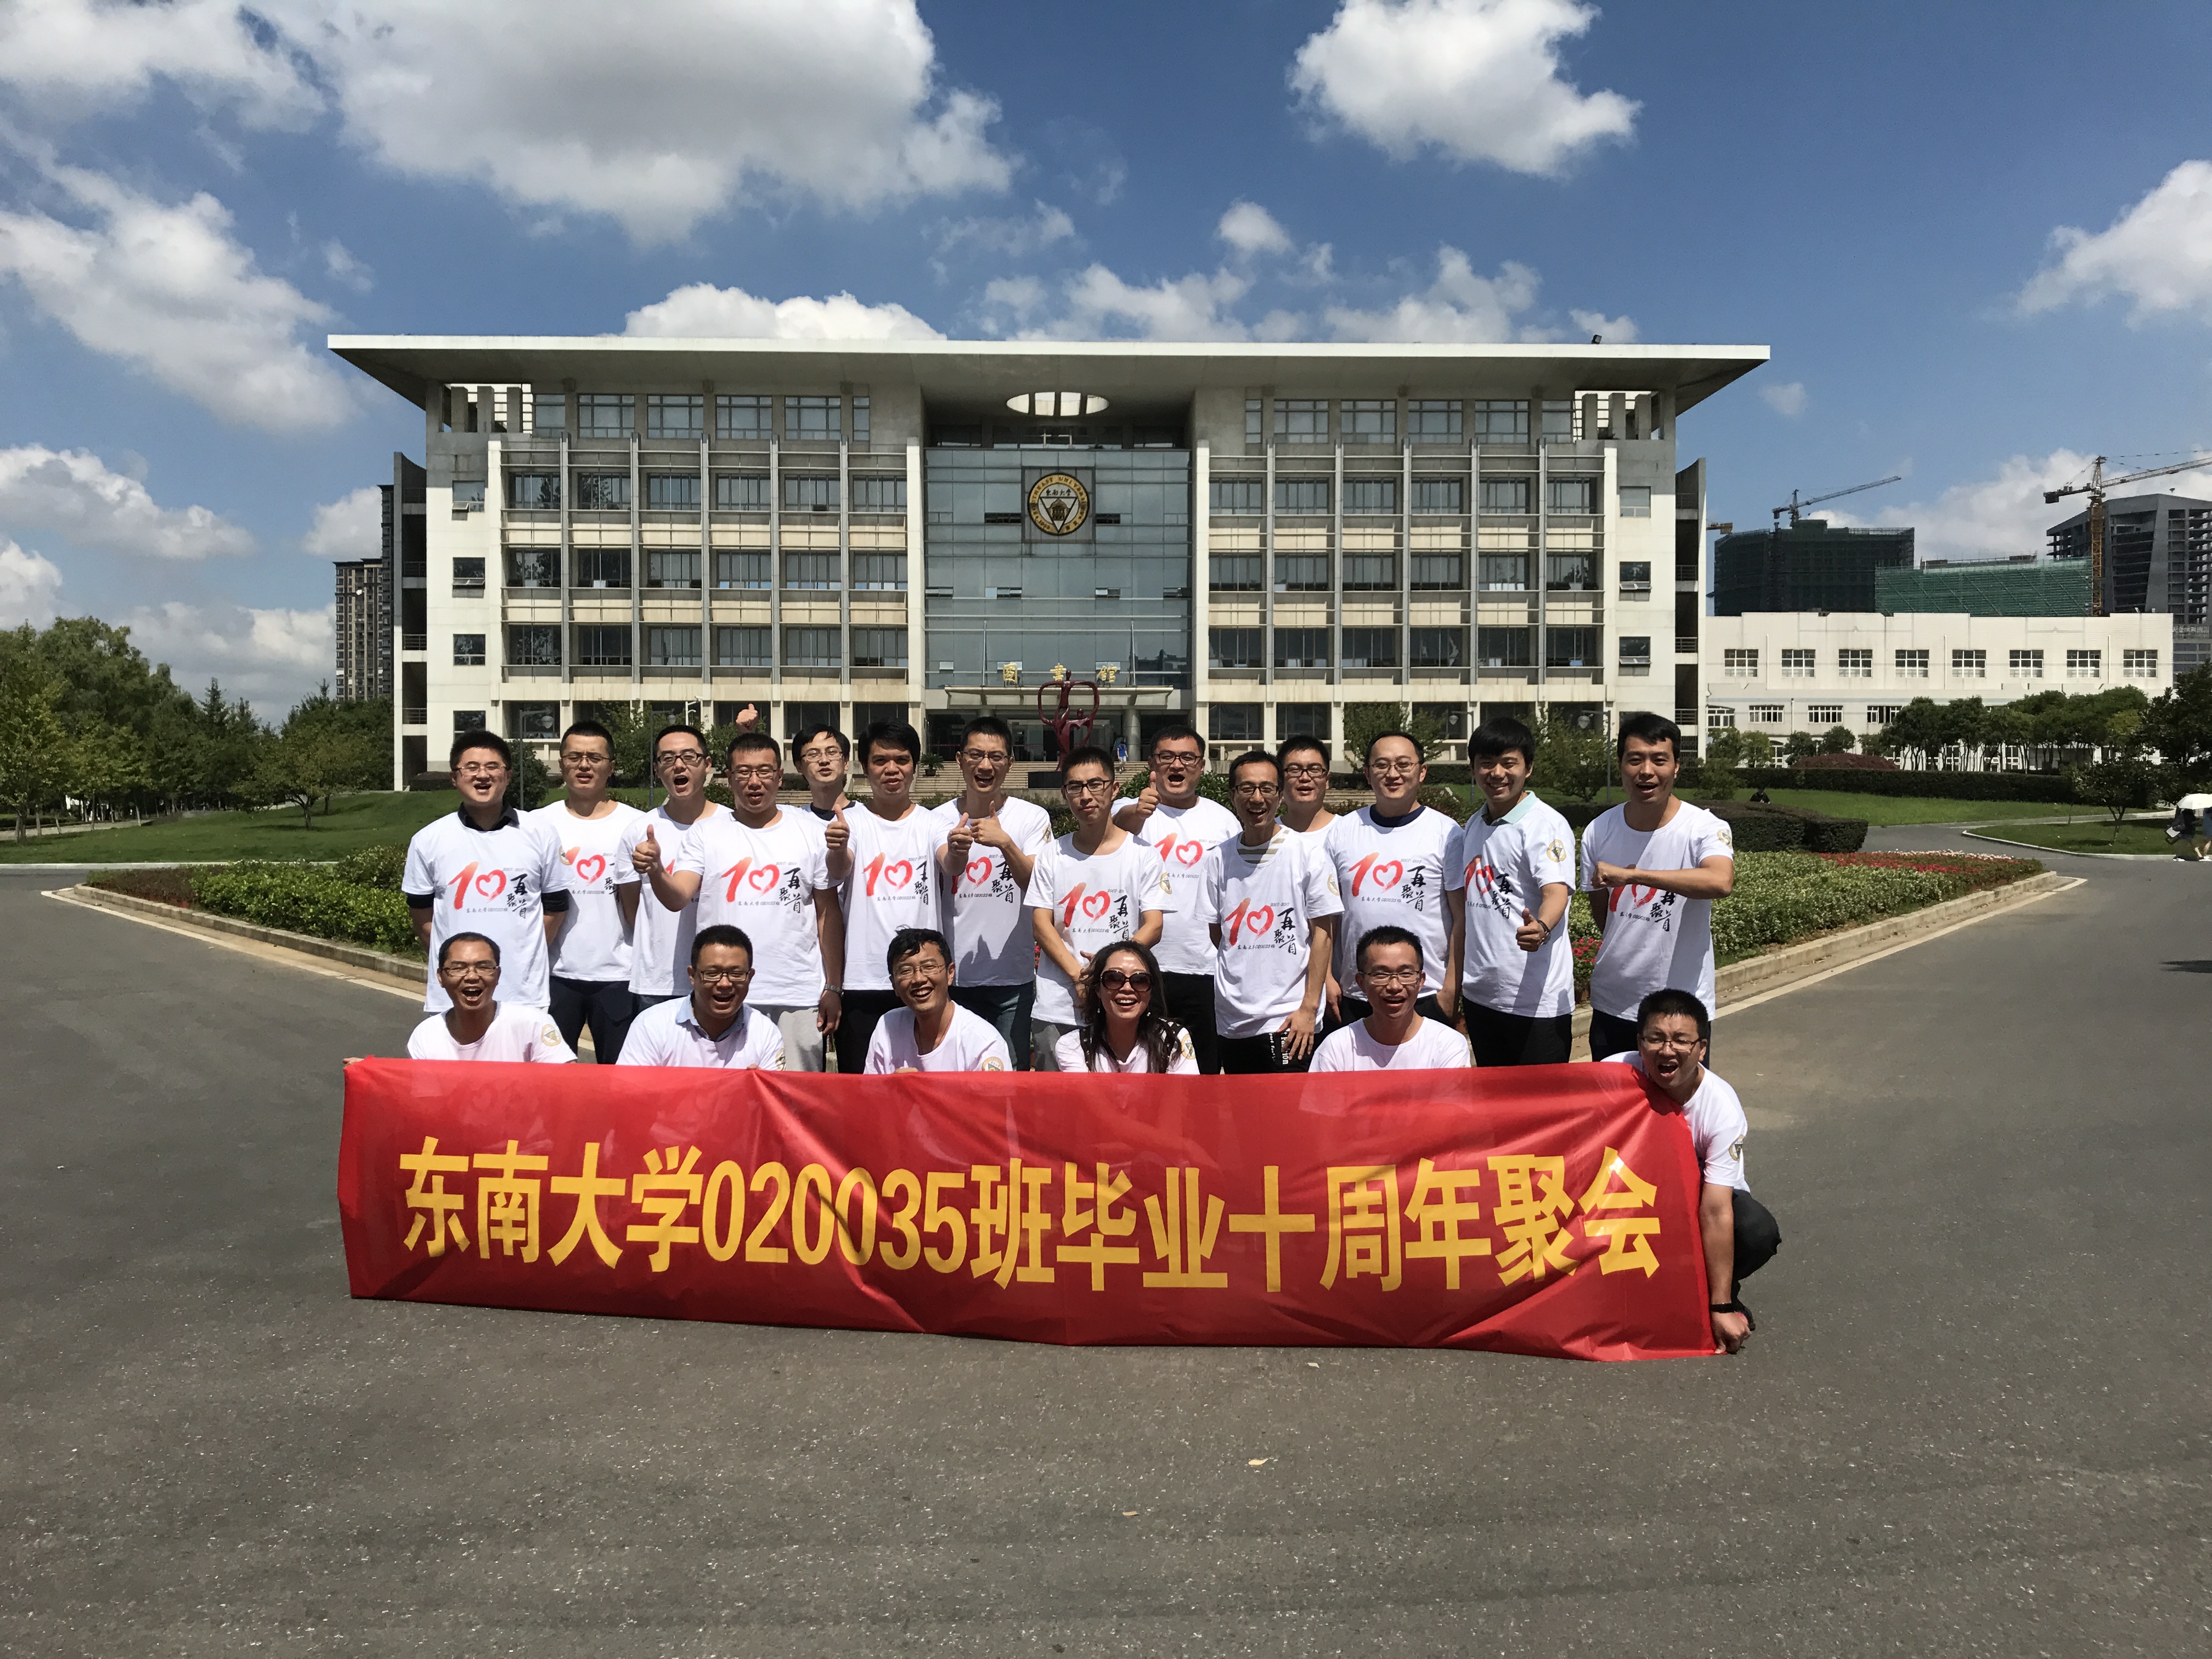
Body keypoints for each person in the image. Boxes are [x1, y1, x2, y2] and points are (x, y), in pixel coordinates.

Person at [644, 730, 843, 1072]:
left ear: (779, 776)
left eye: (764, 771)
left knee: (794, 1093)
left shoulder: (809, 830)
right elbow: (678, 897)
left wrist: (834, 986)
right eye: (743, 772)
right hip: (723, 993)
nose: (754, 782)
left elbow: (828, 914)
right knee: (724, 1096)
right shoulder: (706, 833)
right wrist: (656, 870)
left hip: (795, 993)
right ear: (728, 777)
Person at [1600, 988, 1781, 1355]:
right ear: (1639, 1043)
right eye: (1655, 1038)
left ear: (1701, 1049)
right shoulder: (1612, 1073)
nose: (1667, 1051)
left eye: (1681, 1041)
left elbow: (1715, 1209)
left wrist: (1721, 1307)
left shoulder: (1722, 1109)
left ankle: (1714, 1291)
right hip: (1627, 1196)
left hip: (1696, 1202)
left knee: (1755, 1230)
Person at [1580, 712, 1735, 1064]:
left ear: (1677, 766)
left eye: (1659, 760)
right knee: (1614, 1099)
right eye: (1635, 759)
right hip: (1614, 1004)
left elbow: (1720, 880)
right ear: (1621, 765)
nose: (1646, 771)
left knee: (1678, 1100)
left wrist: (1636, 876)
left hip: (1681, 1013)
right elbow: (1606, 920)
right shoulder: (1598, 831)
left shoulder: (1702, 827)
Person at [402, 730, 568, 1015]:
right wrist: (454, 962)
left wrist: (525, 952)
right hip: (452, 997)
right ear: (454, 778)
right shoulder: (428, 840)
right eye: (471, 767)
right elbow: (421, 915)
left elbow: (556, 906)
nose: (483, 775)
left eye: (493, 766)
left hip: (523, 993)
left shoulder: (540, 834)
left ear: (508, 775)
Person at [1199, 749, 1341, 1074]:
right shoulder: (1218, 859)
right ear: (1232, 796)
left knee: (1290, 1104)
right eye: (1247, 788)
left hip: (1290, 1019)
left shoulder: (1308, 855)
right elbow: (1218, 934)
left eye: (1267, 788)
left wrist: (1309, 1008)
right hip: (1233, 1020)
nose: (1257, 798)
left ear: (1280, 795)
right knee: (1241, 1103)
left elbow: (1322, 936)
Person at [1110, 724, 1240, 1071]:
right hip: (1143, 969)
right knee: (1143, 1069)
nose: (1177, 765)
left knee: (1203, 1072)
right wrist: (1137, 813)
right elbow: (1112, 830)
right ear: (1152, 764)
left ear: (1201, 766)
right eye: (1166, 756)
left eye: (1187, 758)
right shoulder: (1130, 809)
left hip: (1205, 968)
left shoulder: (1223, 821)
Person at [1029, 745, 1168, 1070]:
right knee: (1055, 1097)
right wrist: (1079, 977)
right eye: (1075, 787)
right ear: (1064, 794)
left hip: (1123, 1003)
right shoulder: (1052, 855)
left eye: (1095, 784)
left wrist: (1105, 971)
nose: (1086, 796)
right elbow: (1041, 925)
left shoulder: (1144, 855)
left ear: (1114, 789)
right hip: (1059, 1006)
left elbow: (1154, 926)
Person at [823, 719, 950, 1075]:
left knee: (924, 1085)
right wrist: (837, 847)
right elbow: (839, 869)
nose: (891, 769)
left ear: (914, 766)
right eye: (880, 761)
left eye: (902, 760)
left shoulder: (933, 823)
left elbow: (950, 863)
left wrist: (958, 850)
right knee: (862, 1089)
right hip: (863, 982)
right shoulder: (850, 822)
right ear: (865, 768)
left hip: (922, 980)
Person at [1452, 715, 1577, 1066]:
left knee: (1540, 1098)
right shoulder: (1475, 824)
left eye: (1509, 763)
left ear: (1528, 768)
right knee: (1495, 1096)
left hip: (1535, 1003)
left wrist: (1542, 927)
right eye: (1486, 763)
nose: (1497, 773)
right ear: (1473, 769)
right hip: (1481, 996)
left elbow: (1556, 892)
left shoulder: (1544, 824)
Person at [1321, 730, 1464, 1028]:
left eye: (1403, 764)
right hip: (1355, 993)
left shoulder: (1447, 833)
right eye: (1382, 765)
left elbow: (1461, 917)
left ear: (1422, 772)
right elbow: (1327, 916)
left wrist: (1451, 990)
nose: (1392, 774)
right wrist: (1328, 979)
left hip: (1425, 993)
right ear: (1367, 773)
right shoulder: (1343, 831)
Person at [934, 715, 1053, 1067]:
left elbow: (1038, 884)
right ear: (960, 760)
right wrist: (957, 851)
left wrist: (1005, 843)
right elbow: (942, 872)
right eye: (976, 755)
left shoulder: (1032, 818)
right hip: (952, 978)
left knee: (1008, 1078)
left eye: (996, 756)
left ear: (1010, 763)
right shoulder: (936, 819)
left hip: (1012, 979)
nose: (985, 765)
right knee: (954, 1077)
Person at [531, 719, 645, 1062]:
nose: (584, 766)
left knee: (619, 1077)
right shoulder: (538, 824)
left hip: (620, 974)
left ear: (611, 767)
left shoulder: (637, 824)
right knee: (552, 1078)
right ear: (561, 763)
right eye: (574, 757)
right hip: (554, 974)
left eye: (595, 758)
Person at [619, 724, 727, 1012]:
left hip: (721, 980)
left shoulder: (732, 826)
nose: (679, 765)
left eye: (689, 757)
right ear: (657, 769)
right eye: (667, 759)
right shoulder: (638, 831)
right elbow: (633, 912)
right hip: (658, 983)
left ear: (707, 764)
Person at [617, 924, 786, 1069]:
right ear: (692, 976)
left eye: (736, 974)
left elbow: (774, 1096)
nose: (725, 984)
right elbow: (629, 1090)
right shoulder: (652, 1025)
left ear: (750, 977)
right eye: (713, 974)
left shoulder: (765, 1033)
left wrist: (760, 1089)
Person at [1310, 926, 1472, 1071]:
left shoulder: (1447, 1044)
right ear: (1361, 983)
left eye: (1406, 974)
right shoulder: (1336, 1048)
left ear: (1421, 981)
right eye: (1381, 975)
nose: (1394, 986)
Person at [405, 933, 575, 1062]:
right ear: (440, 977)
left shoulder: (534, 1024)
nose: (472, 976)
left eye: (484, 967)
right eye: (459, 968)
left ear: (498, 975)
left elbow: (565, 1082)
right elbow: (423, 1097)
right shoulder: (426, 1035)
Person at [864, 928, 1012, 1073]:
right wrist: (893, 1086)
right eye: (906, 971)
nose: (918, 979)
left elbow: (994, 1091)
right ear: (894, 985)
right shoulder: (887, 1027)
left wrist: (913, 1088)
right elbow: (870, 1089)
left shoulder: (984, 1044)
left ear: (950, 973)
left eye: (929, 967)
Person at [1054, 939, 1200, 1074]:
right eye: (1114, 979)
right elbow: (1086, 1094)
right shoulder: (1073, 1046)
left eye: (1140, 980)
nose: (1127, 988)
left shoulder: (1173, 1039)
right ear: (1097, 989)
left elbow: (1184, 1092)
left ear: (1151, 990)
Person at [1276, 734, 1338, 836]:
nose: (1305, 778)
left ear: (1327, 780)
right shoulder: (1266, 835)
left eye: (1314, 770)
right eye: (1295, 770)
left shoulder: (1347, 831)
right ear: (1280, 780)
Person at [791, 722, 852, 820]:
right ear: (799, 766)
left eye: (832, 752)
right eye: (813, 754)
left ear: (846, 762)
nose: (824, 760)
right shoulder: (794, 821)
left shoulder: (869, 816)